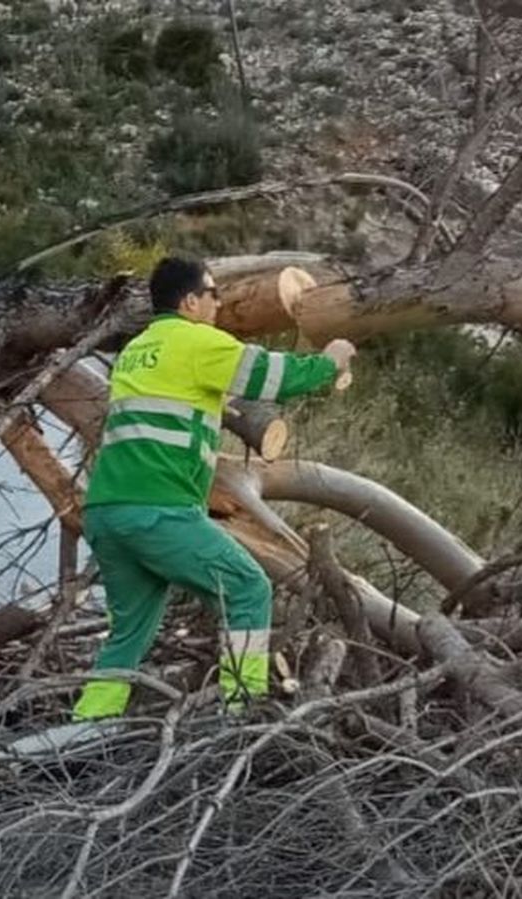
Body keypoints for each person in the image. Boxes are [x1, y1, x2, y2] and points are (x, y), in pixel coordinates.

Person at [72, 256, 355, 721]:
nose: (218, 302)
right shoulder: (197, 341)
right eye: (212, 293)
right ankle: (240, 713)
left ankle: (87, 727)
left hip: (107, 512)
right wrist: (329, 364)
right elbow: (272, 376)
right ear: (189, 302)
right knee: (247, 589)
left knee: (128, 633)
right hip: (158, 511)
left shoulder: (138, 349)